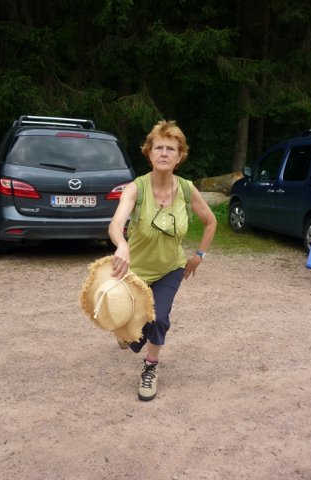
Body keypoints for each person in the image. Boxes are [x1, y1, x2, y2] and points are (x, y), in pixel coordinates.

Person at [108, 119, 217, 401]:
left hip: (171, 268)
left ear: (180, 156)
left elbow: (210, 221)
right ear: (149, 152)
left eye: (172, 148)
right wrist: (121, 244)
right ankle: (127, 331)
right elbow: (116, 222)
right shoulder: (136, 188)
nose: (165, 153)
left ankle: (150, 367)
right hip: (136, 271)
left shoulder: (185, 189)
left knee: (159, 317)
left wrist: (198, 256)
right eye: (159, 147)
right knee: (132, 326)